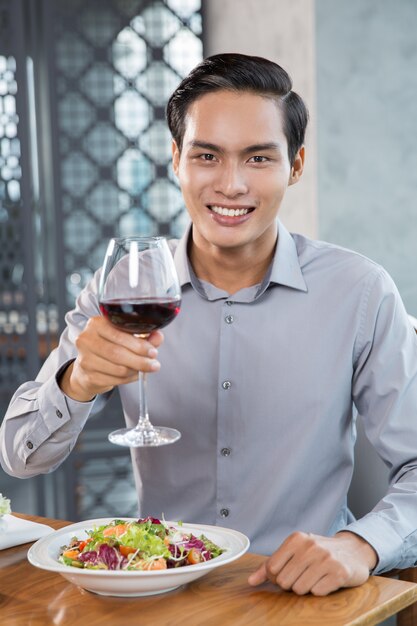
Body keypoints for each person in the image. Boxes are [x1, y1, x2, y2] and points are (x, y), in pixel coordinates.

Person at [1, 53, 417, 596]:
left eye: (258, 159)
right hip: (159, 595)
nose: (231, 184)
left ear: (295, 165)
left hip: (303, 600)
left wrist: (360, 545)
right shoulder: (120, 288)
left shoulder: (360, 292)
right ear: (177, 160)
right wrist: (77, 382)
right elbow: (19, 456)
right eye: (207, 155)